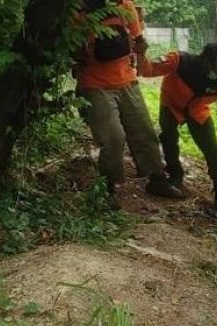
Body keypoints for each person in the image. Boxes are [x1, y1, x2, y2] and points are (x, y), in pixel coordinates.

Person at [75, 0, 183, 209]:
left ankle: (157, 178)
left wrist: (140, 51)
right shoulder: (79, 10)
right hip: (95, 83)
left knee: (143, 130)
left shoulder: (125, 5)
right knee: (113, 137)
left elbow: (139, 41)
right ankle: (107, 187)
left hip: (126, 79)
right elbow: (73, 49)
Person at [136, 43, 217, 219]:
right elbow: (147, 70)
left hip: (197, 111)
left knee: (214, 154)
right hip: (171, 104)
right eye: (216, 68)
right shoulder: (178, 61)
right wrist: (140, 54)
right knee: (168, 138)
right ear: (206, 61)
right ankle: (174, 177)